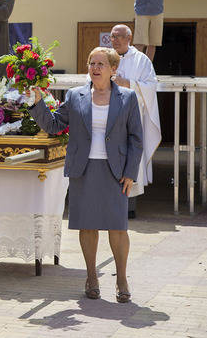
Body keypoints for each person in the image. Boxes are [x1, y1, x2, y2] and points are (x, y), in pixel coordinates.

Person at [29, 46, 143, 303]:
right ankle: (91, 276)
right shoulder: (75, 95)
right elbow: (55, 125)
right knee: (88, 226)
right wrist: (38, 103)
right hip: (84, 169)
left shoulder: (127, 98)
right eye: (92, 63)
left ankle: (121, 277)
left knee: (117, 227)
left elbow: (136, 138)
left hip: (116, 172)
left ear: (113, 70)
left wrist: (130, 172)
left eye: (101, 64)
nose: (95, 68)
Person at [109, 24, 161, 218]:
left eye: (119, 37)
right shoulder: (104, 56)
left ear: (129, 39)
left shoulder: (142, 60)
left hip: (131, 117)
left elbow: (151, 85)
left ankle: (129, 207)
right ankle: (110, 203)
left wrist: (128, 84)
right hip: (108, 117)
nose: (115, 40)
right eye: (113, 37)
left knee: (131, 158)